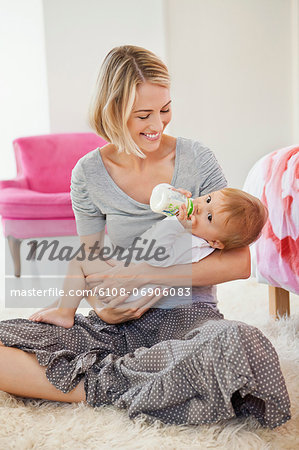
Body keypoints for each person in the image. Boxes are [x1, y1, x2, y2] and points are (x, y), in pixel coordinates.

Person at [0, 45, 290, 428]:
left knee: (241, 344)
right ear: (112, 110)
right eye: (143, 114)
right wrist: (99, 306)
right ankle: (135, 380)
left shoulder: (197, 160)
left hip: (187, 321)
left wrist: (149, 277)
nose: (158, 123)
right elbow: (90, 257)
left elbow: (239, 262)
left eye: (165, 109)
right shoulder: (88, 173)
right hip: (115, 323)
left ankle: (96, 386)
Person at [28, 187, 268, 328]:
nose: (199, 208)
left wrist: (176, 224)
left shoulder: (193, 243)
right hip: (130, 281)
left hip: (130, 295)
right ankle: (60, 307)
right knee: (85, 268)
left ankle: (64, 313)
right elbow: (158, 203)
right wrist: (169, 193)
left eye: (209, 217)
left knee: (81, 260)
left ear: (216, 242)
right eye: (207, 200)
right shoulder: (198, 236)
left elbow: (157, 256)